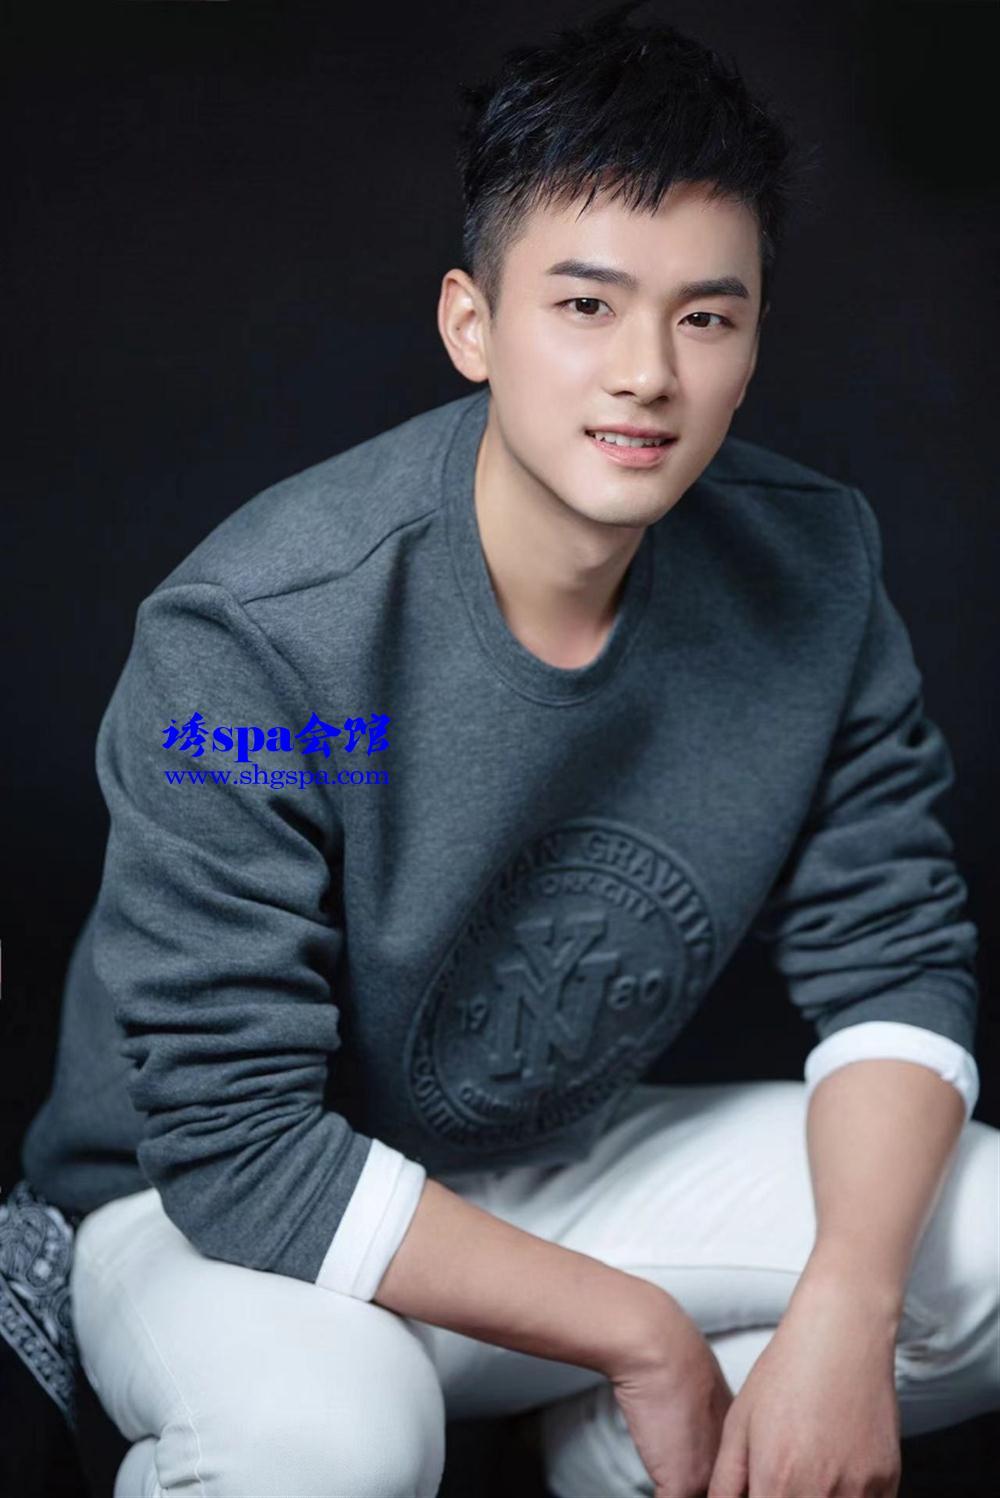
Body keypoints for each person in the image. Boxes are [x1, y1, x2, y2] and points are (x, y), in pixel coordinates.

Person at [21, 4, 998, 1495]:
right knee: (336, 1444)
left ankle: (615, 1460)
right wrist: (643, 1332)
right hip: (219, 1215)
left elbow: (894, 954)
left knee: (976, 1234)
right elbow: (231, 1138)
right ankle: (593, 1388)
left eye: (707, 317)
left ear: (751, 343)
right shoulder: (260, 631)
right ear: (471, 324)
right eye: (587, 305)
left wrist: (849, 1312)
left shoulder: (813, 566)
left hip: (550, 1167)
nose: (648, 373)